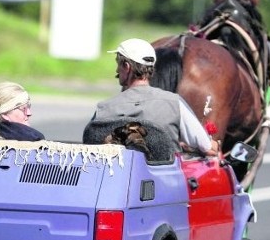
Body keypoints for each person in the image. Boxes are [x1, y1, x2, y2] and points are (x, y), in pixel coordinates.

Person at [88, 38, 219, 157]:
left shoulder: (104, 108)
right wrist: (215, 145)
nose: (117, 70)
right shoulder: (174, 104)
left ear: (126, 67)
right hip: (164, 181)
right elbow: (208, 149)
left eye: (118, 64)